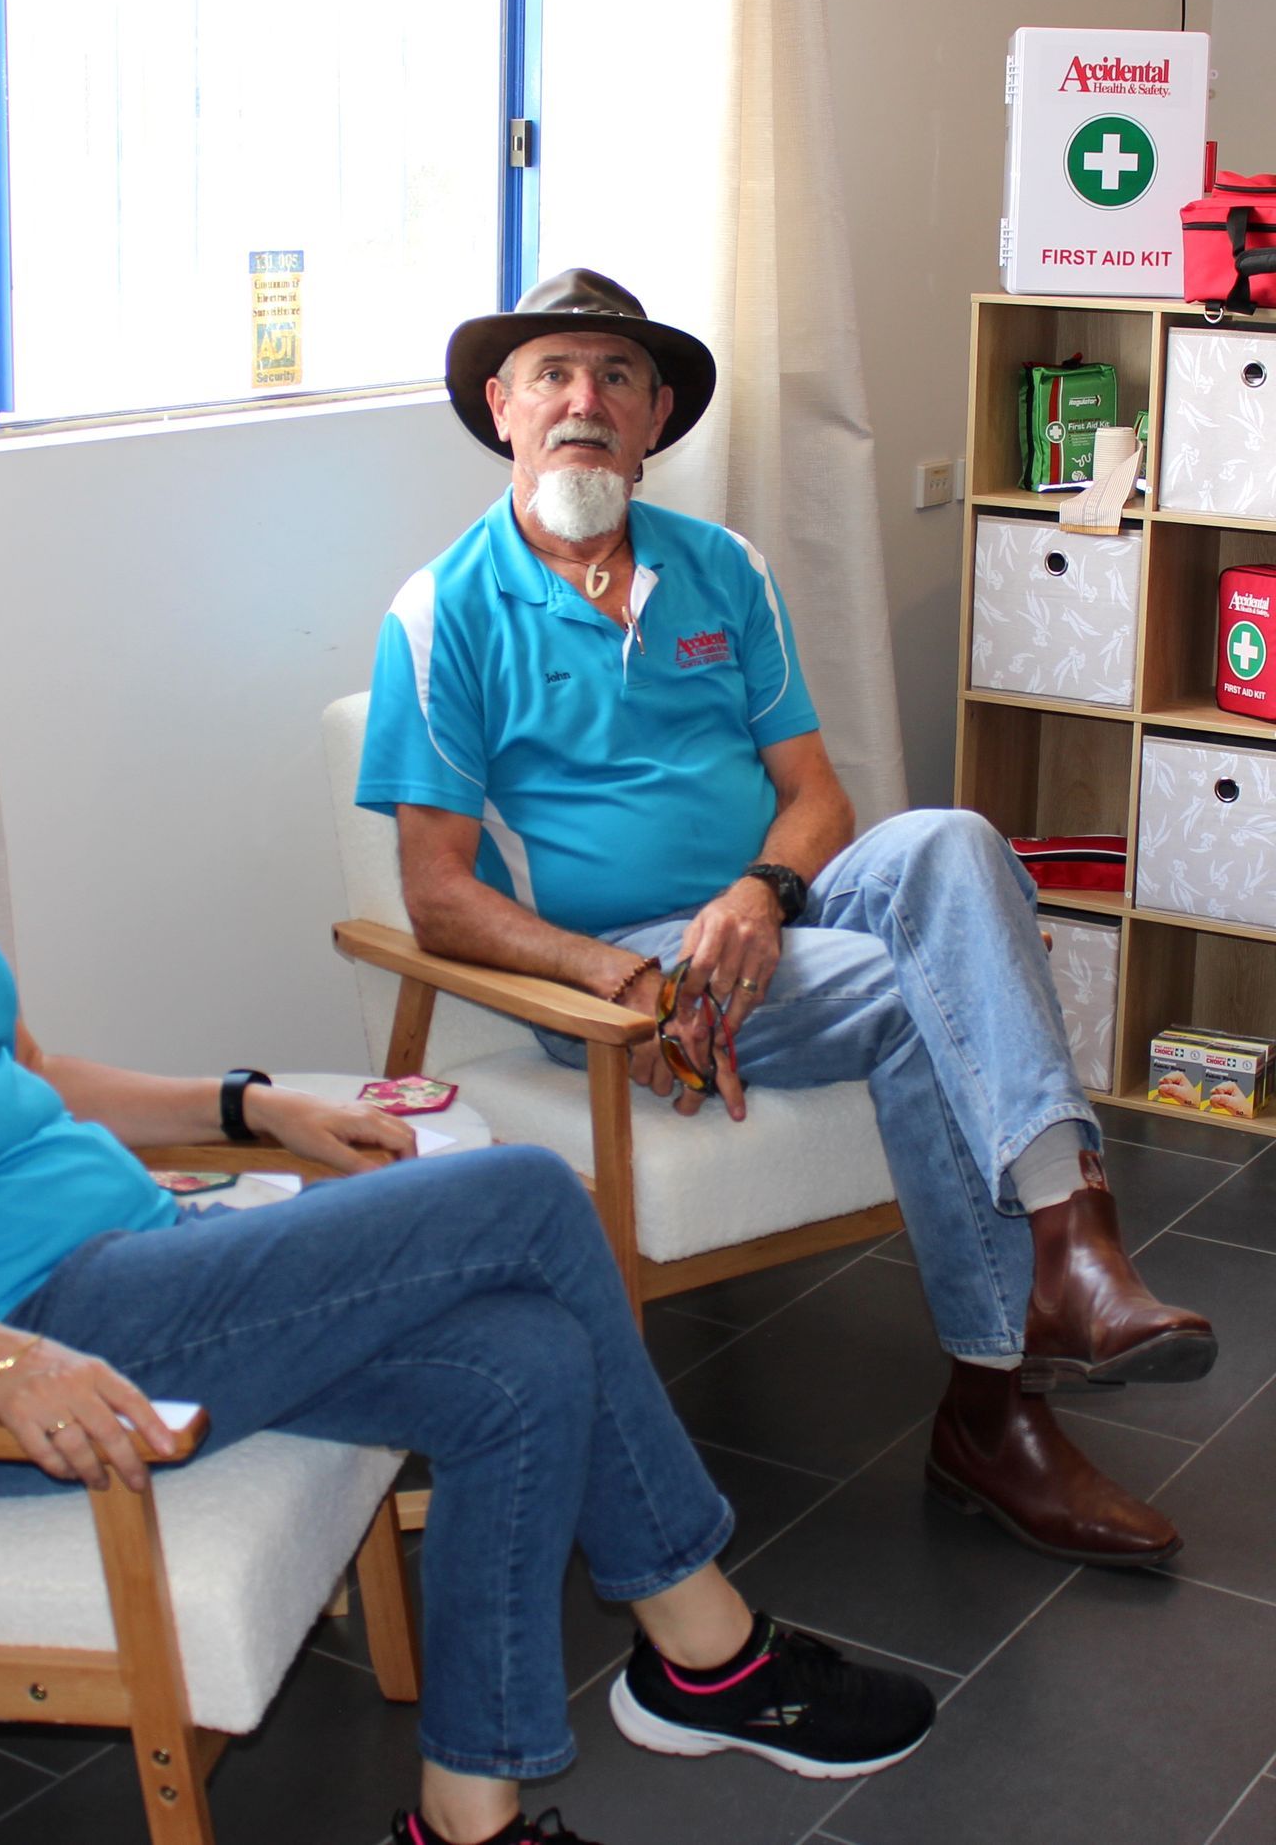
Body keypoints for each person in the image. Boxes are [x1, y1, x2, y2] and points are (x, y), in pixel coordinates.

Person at [0, 471, 935, 1845]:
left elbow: (20, 1078)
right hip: (16, 1356)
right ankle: (708, 1649)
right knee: (519, 1193)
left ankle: (468, 1816)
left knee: (524, 1360)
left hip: (142, 1263)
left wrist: (253, 1106)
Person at [358, 268, 1218, 1571]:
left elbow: (817, 795)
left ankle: (1068, 1245)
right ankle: (1003, 1399)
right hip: (617, 970)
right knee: (939, 990)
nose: (585, 400)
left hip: (769, 918)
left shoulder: (724, 570)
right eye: (554, 373)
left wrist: (766, 893)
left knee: (956, 843)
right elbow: (438, 894)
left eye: (619, 377)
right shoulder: (444, 612)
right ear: (501, 406)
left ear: (655, 421)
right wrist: (621, 983)